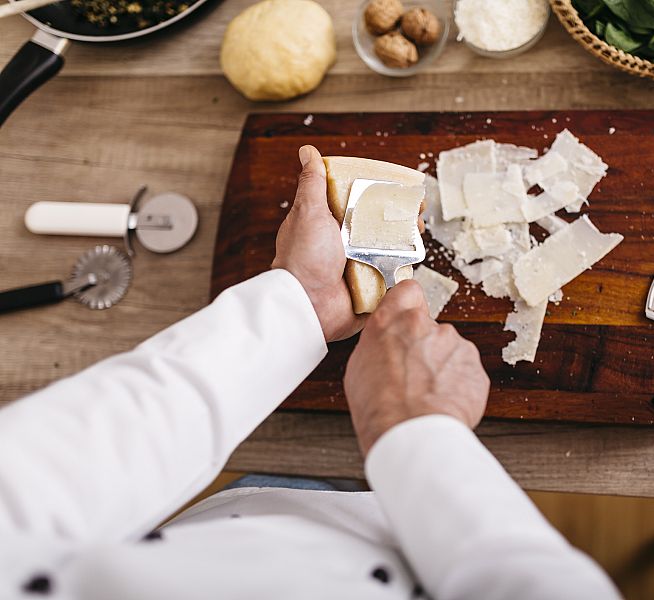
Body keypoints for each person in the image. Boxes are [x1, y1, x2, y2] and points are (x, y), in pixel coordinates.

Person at [0, 146, 619, 599]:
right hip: (431, 535)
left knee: (298, 488)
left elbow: (38, 480)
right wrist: (416, 432)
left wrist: (298, 304)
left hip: (243, 515)